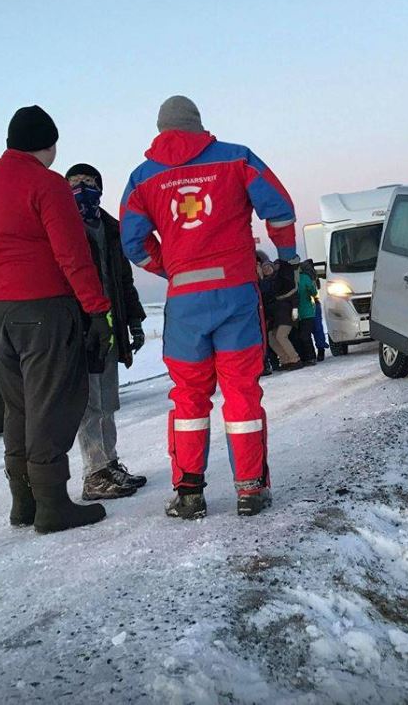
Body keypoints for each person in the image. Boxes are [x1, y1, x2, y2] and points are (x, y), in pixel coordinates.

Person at [120, 96, 298, 519]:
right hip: (236, 295)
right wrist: (287, 257)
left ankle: (189, 493)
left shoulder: (142, 179)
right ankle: (250, 489)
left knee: (188, 398)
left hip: (185, 308)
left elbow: (131, 242)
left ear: (161, 130)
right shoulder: (237, 159)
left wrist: (174, 269)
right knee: (240, 392)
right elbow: (280, 209)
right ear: (199, 124)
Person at [0, 106, 112, 534]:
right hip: (41, 306)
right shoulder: (46, 184)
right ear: (47, 144)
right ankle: (52, 507)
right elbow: (71, 253)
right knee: (51, 403)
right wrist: (96, 309)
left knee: (19, 407)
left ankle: (23, 503)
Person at [65, 163, 149, 500]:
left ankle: (109, 462)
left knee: (109, 401)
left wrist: (136, 321)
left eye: (89, 182)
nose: (82, 188)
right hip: (82, 327)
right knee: (90, 404)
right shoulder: (63, 228)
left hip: (110, 325)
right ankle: (93, 473)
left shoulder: (111, 229)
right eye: (75, 182)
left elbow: (124, 281)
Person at [269, 257, 302, 370]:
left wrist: (295, 310)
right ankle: (285, 360)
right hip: (277, 317)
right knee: (272, 338)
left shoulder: (286, 280)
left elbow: (294, 297)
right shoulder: (272, 281)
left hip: (287, 315)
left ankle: (295, 359)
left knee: (280, 336)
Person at [296, 261, 319, 365]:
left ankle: (311, 357)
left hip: (307, 312)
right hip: (296, 314)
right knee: (300, 337)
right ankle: (304, 357)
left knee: (305, 335)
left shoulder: (304, 277)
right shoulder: (291, 279)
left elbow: (313, 292)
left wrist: (310, 289)